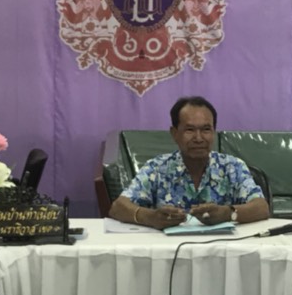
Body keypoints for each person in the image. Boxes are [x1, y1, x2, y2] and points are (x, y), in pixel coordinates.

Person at [108, 97, 272, 230]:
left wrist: (228, 214)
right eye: (190, 130)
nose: (198, 138)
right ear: (174, 133)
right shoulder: (156, 168)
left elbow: (261, 207)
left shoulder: (232, 167)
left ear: (213, 132)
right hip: (168, 252)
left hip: (221, 250)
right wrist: (150, 217)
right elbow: (118, 207)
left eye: (206, 129)